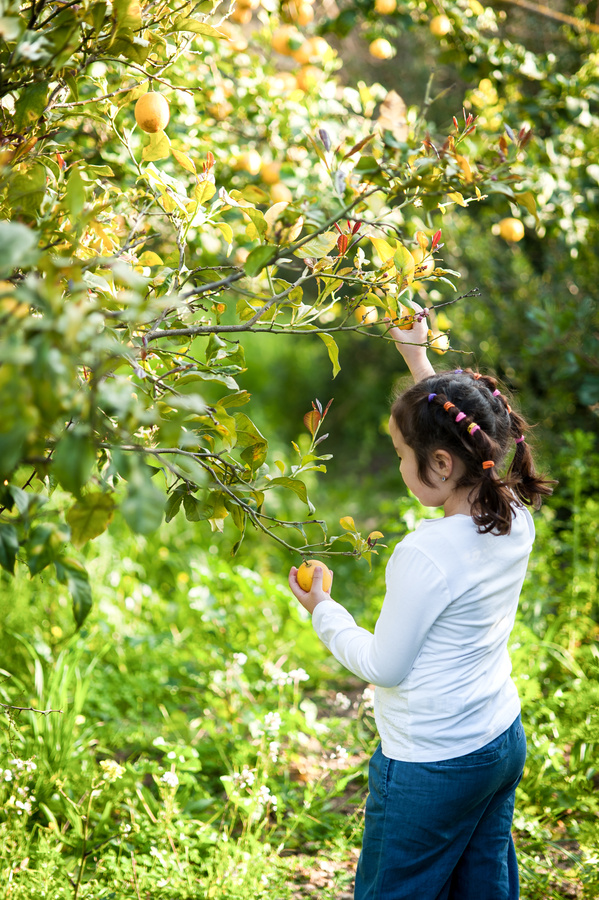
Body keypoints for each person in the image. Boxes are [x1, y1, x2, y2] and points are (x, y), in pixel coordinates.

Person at [287, 308, 555, 900]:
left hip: (431, 764)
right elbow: (458, 428)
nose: (402, 465)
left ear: (439, 464)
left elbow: (385, 666)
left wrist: (324, 610)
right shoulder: (514, 516)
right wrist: (416, 357)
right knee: (482, 883)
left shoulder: (425, 554)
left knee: (396, 889)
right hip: (497, 740)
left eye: (404, 456)